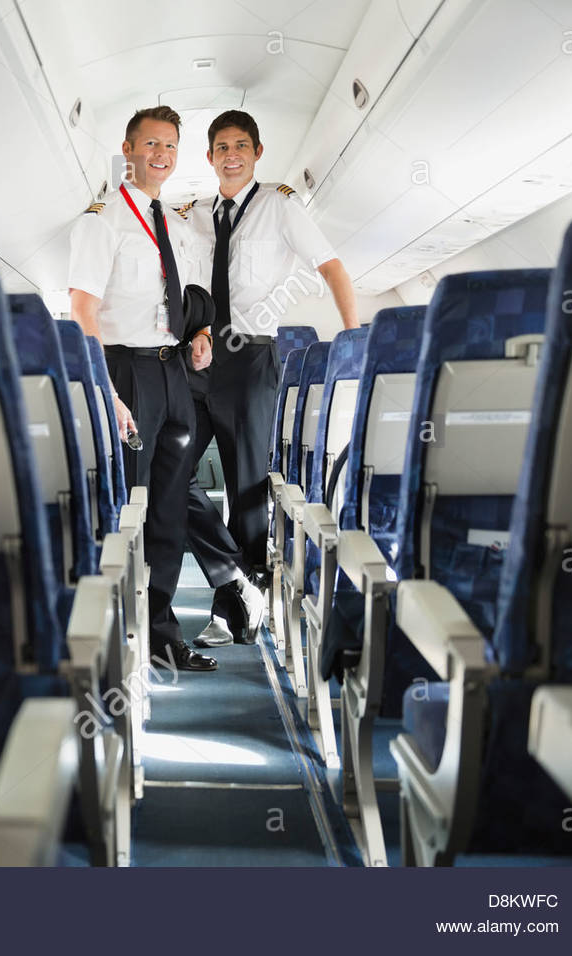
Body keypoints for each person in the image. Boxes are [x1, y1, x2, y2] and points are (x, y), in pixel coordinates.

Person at [180, 109, 359, 647]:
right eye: (221, 147)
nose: (231, 155)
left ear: (257, 152)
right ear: (209, 157)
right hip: (199, 358)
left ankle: (230, 614)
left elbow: (331, 266)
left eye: (241, 145)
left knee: (246, 491)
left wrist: (353, 341)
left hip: (250, 359)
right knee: (169, 471)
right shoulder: (193, 215)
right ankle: (236, 579)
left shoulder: (280, 206)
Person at [67, 105, 217, 672]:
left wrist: (200, 336)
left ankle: (160, 632)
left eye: (170, 146)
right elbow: (82, 310)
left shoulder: (175, 224)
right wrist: (106, 391)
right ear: (128, 150)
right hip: (124, 371)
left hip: (173, 373)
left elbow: (187, 300)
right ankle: (116, 635)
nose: (161, 155)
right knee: (129, 507)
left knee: (170, 510)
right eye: (151, 144)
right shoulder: (101, 219)